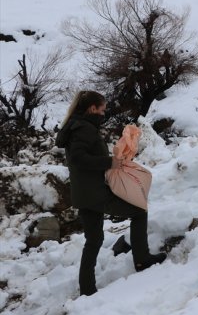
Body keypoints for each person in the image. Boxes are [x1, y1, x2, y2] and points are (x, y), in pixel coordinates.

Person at [55, 91, 166, 297]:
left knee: (94, 239)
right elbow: (79, 159)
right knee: (139, 211)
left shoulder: (74, 126)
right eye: (102, 109)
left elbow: (82, 158)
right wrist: (109, 162)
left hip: (83, 193)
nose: (104, 113)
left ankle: (87, 289)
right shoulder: (84, 129)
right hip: (95, 193)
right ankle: (142, 260)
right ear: (92, 108)